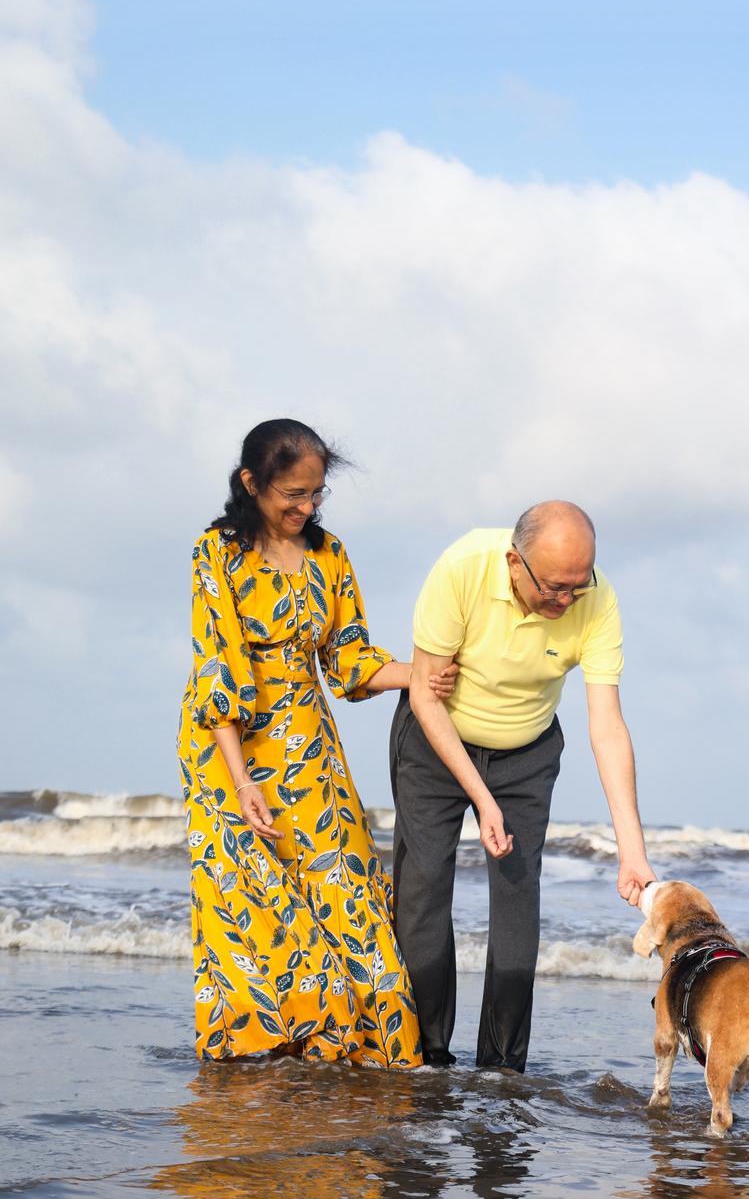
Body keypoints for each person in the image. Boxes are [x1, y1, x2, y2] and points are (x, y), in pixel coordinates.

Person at [178, 418, 455, 1065]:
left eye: (317, 495)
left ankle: (360, 1048)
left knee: (346, 889)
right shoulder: (215, 553)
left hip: (310, 742)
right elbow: (218, 664)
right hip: (228, 750)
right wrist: (241, 780)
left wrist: (418, 674)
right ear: (252, 483)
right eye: (291, 495)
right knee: (257, 900)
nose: (305, 508)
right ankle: (264, 1054)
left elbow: (349, 658)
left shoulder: (330, 556)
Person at [389, 500, 656, 1071]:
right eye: (554, 588)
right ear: (515, 562)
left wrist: (631, 851)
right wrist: (481, 798)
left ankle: (502, 1068)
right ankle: (425, 1055)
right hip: (435, 740)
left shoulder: (596, 599)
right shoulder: (462, 567)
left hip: (525, 752)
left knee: (517, 902)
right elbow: (423, 692)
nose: (565, 601)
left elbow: (607, 727)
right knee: (422, 892)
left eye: (576, 589)